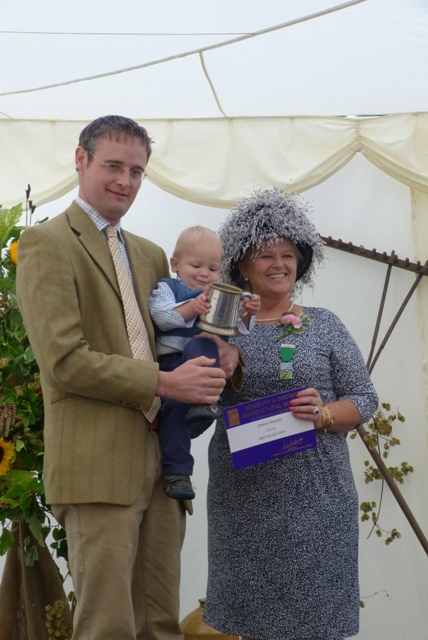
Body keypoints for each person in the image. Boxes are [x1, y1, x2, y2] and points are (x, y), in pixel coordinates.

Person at [15, 115, 238, 640]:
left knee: (160, 624)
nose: (125, 181)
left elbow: (169, 338)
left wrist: (225, 355)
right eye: (113, 166)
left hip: (164, 465)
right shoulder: (45, 243)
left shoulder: (149, 253)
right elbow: (64, 361)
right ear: (80, 160)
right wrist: (166, 385)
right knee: (107, 626)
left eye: (136, 171)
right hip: (96, 465)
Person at [203, 187, 379, 640]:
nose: (278, 264)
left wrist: (322, 413)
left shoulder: (324, 324)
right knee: (252, 622)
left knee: (314, 622)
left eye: (287, 254)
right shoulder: (219, 329)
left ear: (301, 260)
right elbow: (201, 403)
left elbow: (364, 398)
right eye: (265, 255)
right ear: (242, 265)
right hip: (243, 501)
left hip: (315, 502)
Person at [149, 225, 260, 500]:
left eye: (212, 269)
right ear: (175, 264)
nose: (204, 273)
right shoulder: (168, 287)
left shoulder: (217, 294)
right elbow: (161, 316)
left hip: (200, 359)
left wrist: (246, 313)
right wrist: (191, 308)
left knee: (207, 342)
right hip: (173, 364)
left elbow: (234, 329)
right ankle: (178, 474)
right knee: (172, 411)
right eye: (196, 265)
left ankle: (204, 401)